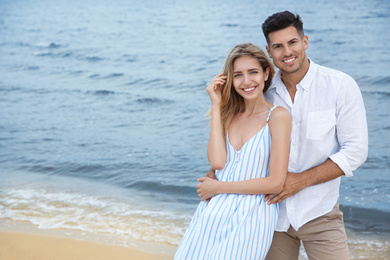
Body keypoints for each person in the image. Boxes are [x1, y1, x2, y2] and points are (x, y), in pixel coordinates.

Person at [259, 11, 368, 260]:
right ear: (269, 51)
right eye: (278, 46)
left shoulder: (340, 85)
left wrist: (301, 181)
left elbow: (356, 151)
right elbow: (245, 143)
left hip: (320, 215)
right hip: (271, 216)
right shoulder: (263, 93)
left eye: (292, 42)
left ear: (304, 42)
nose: (287, 52)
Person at [174, 43, 291, 260]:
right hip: (213, 211)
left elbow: (275, 183)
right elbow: (218, 162)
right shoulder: (229, 115)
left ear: (266, 74)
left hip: (252, 215)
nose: (246, 81)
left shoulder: (277, 116)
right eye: (238, 75)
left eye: (253, 72)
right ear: (230, 79)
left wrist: (219, 187)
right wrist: (217, 106)